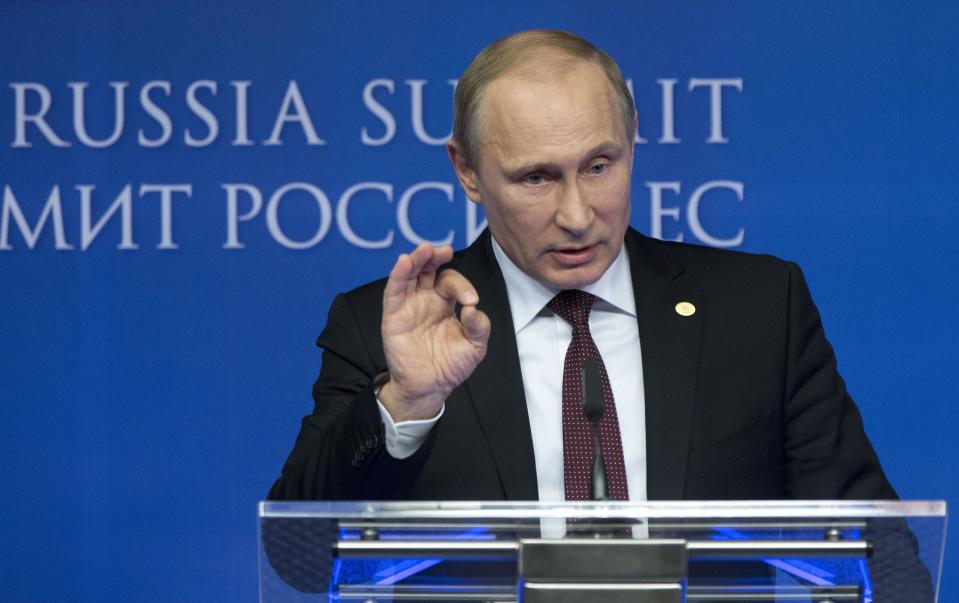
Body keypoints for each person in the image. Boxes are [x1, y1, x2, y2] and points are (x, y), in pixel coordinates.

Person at [267, 29, 895, 504]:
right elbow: (299, 556)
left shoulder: (759, 308)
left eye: (600, 166)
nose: (577, 214)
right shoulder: (387, 329)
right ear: (466, 170)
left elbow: (877, 550)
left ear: (633, 139)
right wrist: (407, 400)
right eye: (536, 177)